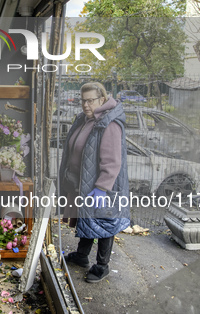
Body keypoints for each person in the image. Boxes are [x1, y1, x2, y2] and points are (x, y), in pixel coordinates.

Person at [59, 82, 130, 283]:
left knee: (104, 223)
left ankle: (101, 266)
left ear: (102, 100)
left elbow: (112, 161)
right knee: (87, 219)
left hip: (101, 187)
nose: (85, 105)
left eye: (90, 100)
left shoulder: (110, 123)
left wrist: (101, 188)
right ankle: (82, 256)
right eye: (83, 100)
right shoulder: (85, 119)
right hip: (83, 183)